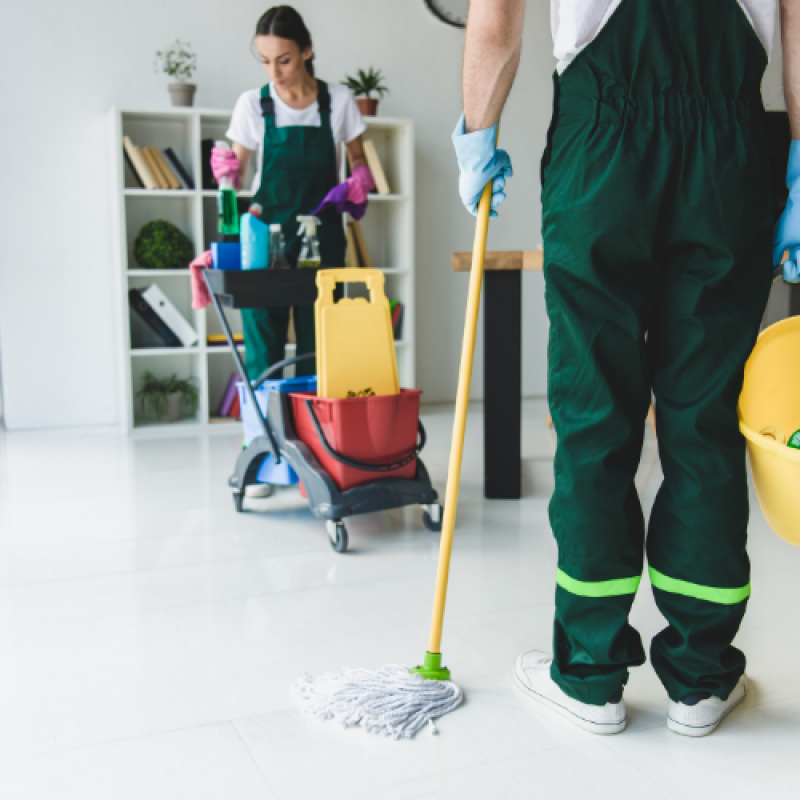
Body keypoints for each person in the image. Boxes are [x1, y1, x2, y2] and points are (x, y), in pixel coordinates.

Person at [454, 0, 800, 737]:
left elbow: (494, 21)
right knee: (704, 419)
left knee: (595, 413)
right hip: (730, 155)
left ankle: (587, 673)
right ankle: (702, 680)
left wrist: (477, 136)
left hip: (602, 147)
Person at [211, 5, 375, 383]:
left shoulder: (338, 101)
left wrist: (361, 176)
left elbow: (357, 157)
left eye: (283, 60)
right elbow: (233, 179)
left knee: (319, 348)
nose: (274, 73)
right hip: (263, 243)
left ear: (306, 51)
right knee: (263, 352)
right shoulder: (253, 104)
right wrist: (226, 172)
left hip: (323, 240)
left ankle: (315, 438)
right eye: (265, 61)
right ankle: (262, 437)